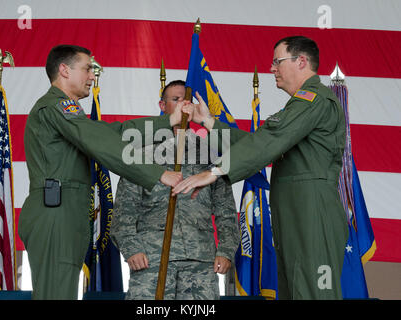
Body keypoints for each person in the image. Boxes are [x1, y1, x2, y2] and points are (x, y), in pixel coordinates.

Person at [173, 36, 349, 300]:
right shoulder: (300, 106)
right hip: (297, 211)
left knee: (314, 291)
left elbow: (270, 139)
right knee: (296, 290)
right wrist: (210, 123)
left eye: (278, 61)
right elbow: (260, 142)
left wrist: (214, 172)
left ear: (301, 61)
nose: (272, 68)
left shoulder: (314, 99)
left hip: (313, 212)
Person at [19, 45, 192, 300]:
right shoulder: (56, 106)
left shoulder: (69, 114)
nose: (92, 75)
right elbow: (100, 141)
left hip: (63, 213)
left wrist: (167, 121)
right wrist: (157, 173)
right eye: (87, 68)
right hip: (56, 215)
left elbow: (114, 133)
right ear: (64, 70)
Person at [111, 80, 239, 300]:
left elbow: (226, 212)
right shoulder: (143, 153)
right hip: (152, 259)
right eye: (175, 100)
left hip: (200, 261)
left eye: (186, 100)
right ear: (163, 106)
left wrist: (226, 250)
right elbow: (124, 211)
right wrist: (131, 248)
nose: (183, 105)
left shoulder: (210, 154)